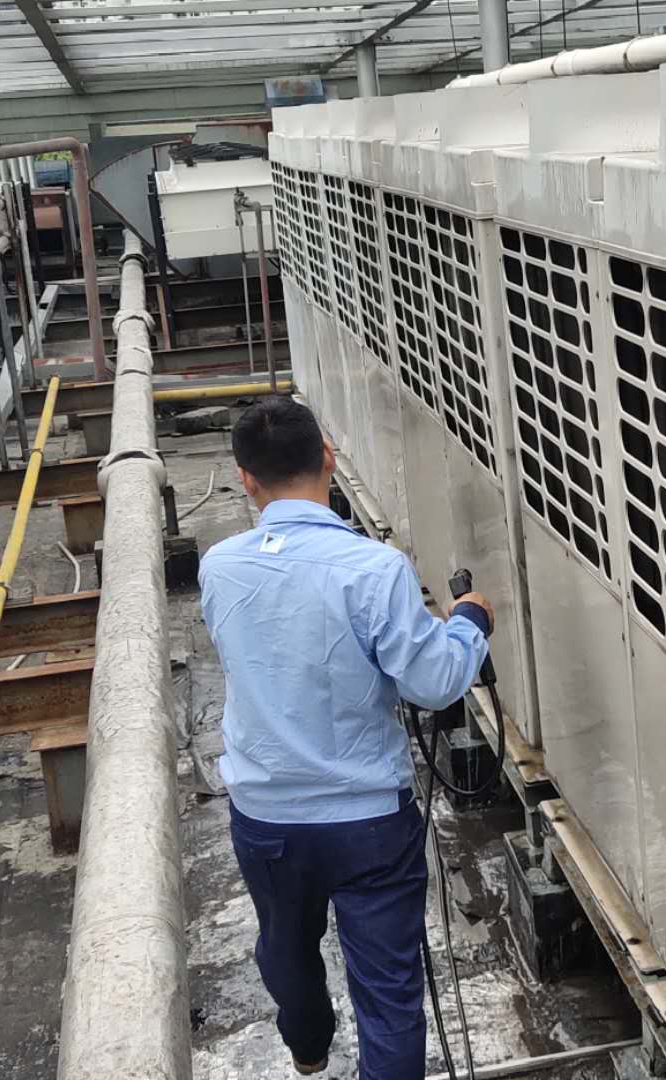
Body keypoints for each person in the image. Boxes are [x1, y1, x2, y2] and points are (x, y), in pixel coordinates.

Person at [199, 397, 493, 1079]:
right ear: (328, 457)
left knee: (287, 950)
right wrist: (469, 623)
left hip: (266, 817)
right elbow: (433, 684)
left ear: (245, 478)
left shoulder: (219, 566)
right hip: (368, 823)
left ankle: (307, 1048)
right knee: (389, 995)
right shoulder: (374, 568)